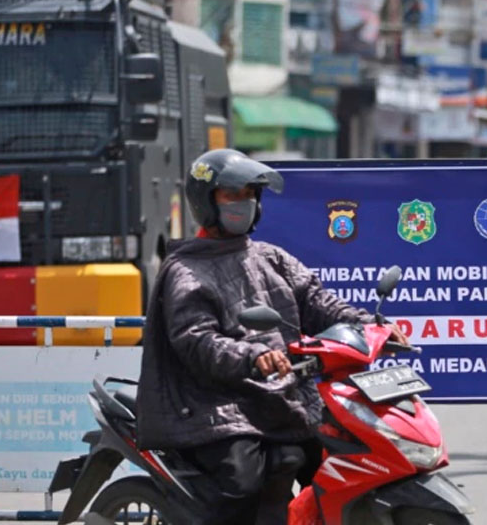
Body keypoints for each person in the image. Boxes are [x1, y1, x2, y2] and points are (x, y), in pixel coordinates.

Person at [136, 148, 405, 525]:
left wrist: (369, 325)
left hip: (281, 394)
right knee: (242, 484)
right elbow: (197, 340)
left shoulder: (270, 257)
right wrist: (252, 356)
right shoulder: (186, 271)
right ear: (206, 201)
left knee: (333, 463)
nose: (243, 203)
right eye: (232, 195)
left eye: (249, 194)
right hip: (215, 404)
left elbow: (317, 301)